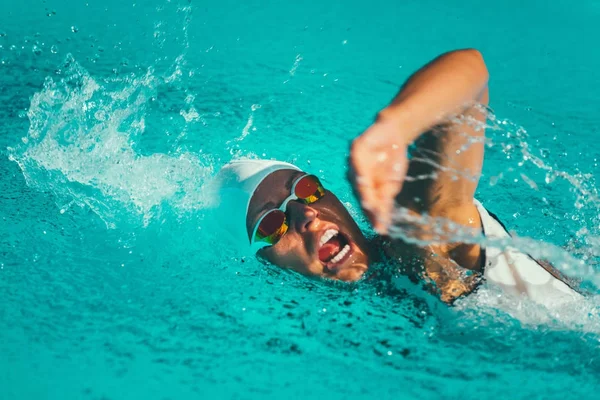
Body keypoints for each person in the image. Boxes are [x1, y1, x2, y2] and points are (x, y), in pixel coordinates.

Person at [212, 49, 581, 306]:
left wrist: (391, 130)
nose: (306, 215)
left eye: (307, 190)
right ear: (264, 264)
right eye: (273, 223)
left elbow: (472, 71)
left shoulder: (414, 243)